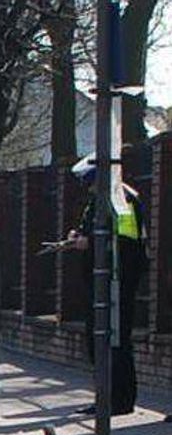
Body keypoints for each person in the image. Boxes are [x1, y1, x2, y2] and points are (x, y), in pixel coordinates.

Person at [64, 154, 148, 417]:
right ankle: (106, 397)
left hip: (118, 281)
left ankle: (120, 400)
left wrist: (92, 243)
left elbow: (126, 239)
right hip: (100, 281)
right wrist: (78, 236)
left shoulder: (123, 199)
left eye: (89, 183)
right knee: (99, 340)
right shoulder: (99, 199)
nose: (87, 188)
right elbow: (92, 228)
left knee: (115, 339)